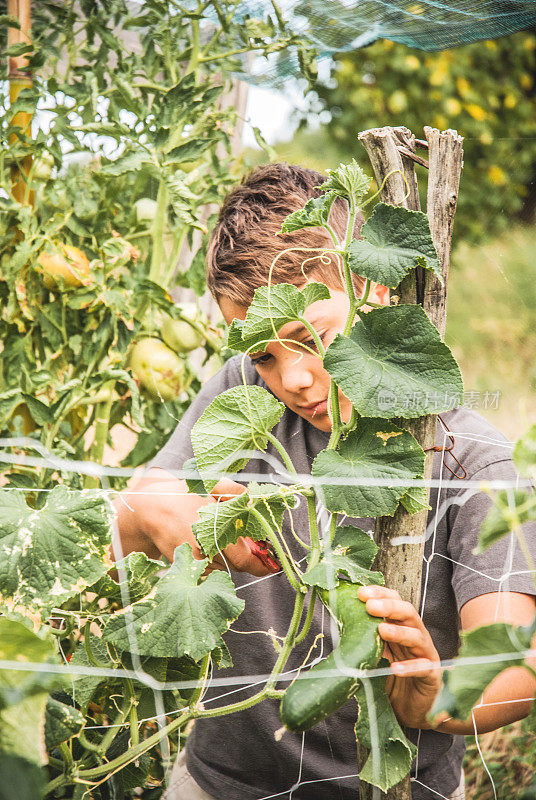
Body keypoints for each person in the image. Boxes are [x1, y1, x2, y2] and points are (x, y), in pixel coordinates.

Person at [114, 164, 536, 800]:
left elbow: (517, 669)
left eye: (312, 338)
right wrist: (192, 527)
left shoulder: (470, 460)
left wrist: (434, 698)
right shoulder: (243, 388)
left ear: (371, 291)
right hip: (221, 781)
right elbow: (135, 507)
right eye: (265, 354)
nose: (295, 379)